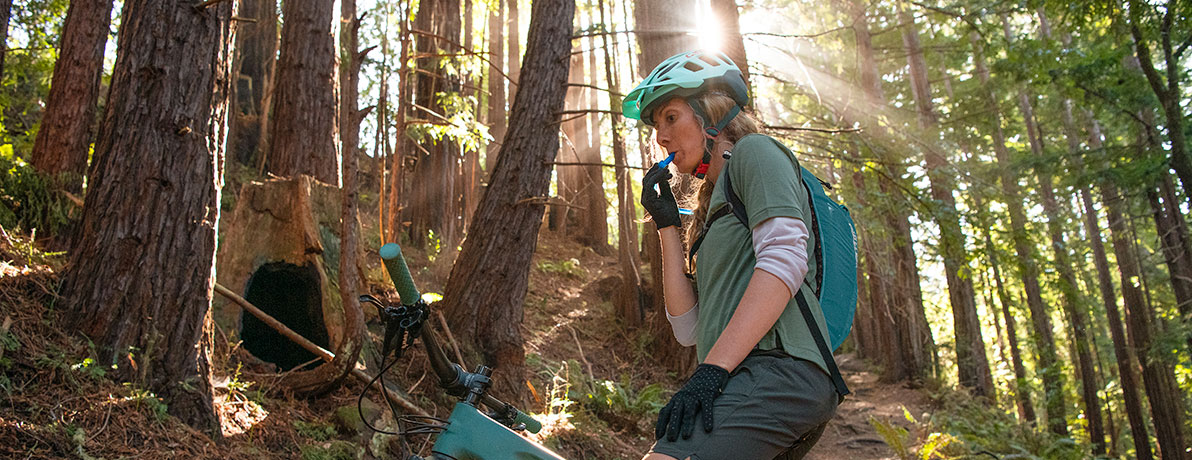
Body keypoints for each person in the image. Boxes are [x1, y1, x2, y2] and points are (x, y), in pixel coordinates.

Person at [624, 50, 839, 460]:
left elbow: (785, 259)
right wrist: (667, 225)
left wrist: (712, 370)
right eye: (656, 126)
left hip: (779, 370)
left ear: (712, 114)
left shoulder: (756, 152)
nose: (660, 137)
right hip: (741, 375)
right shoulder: (713, 209)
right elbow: (689, 329)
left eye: (671, 117)